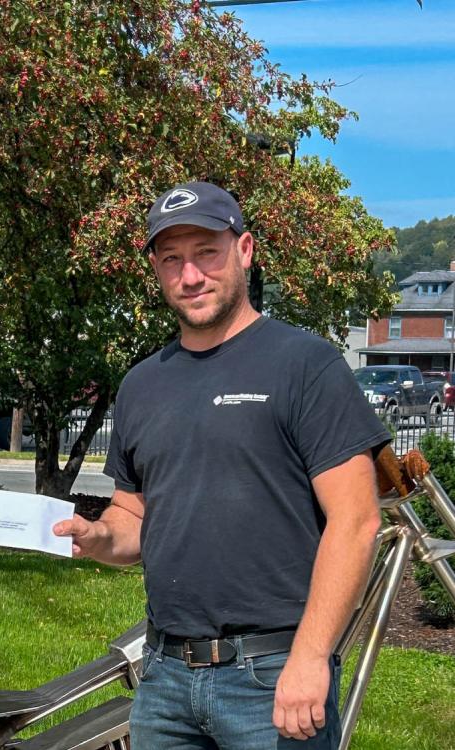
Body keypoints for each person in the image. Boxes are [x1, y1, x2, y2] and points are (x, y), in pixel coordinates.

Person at [55, 181, 388, 749]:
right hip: (163, 677)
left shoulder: (305, 365)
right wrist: (98, 536)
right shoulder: (142, 384)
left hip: (272, 677)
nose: (190, 276)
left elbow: (356, 522)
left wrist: (311, 658)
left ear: (245, 250)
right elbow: (133, 517)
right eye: (171, 260)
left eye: (206, 253)